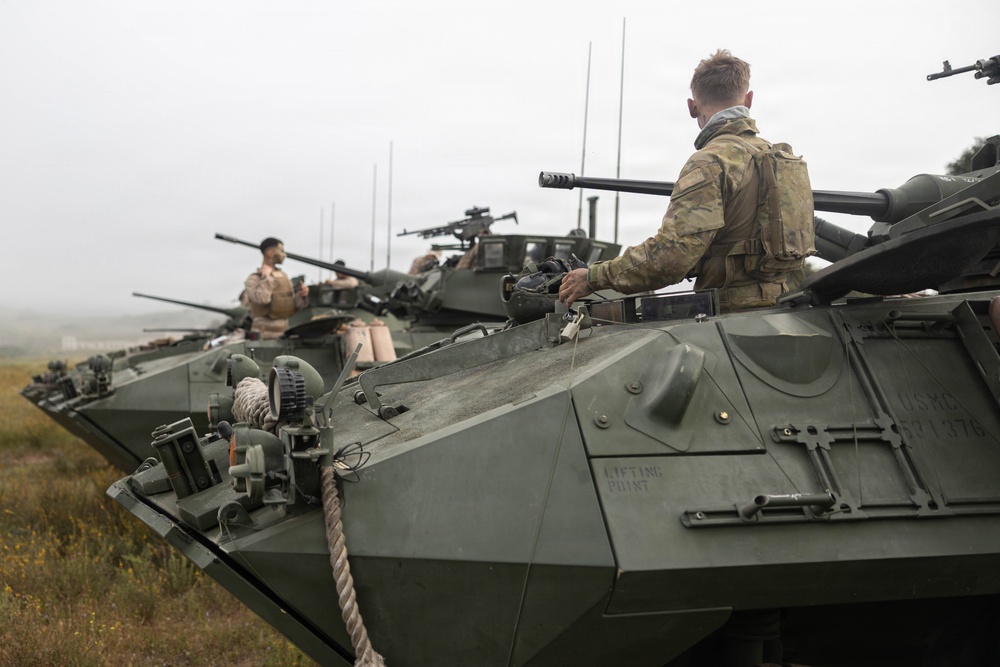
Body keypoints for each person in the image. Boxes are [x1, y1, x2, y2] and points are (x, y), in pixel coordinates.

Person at [559, 49, 814, 311]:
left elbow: (672, 256)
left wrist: (594, 277)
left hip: (729, 317)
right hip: (785, 310)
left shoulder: (711, 161)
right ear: (748, 100)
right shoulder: (781, 160)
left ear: (692, 107)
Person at [241, 237, 309, 339]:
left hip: (284, 334)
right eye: (281, 251)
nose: (284, 255)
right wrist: (266, 278)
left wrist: (301, 296)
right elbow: (262, 299)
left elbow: (291, 305)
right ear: (271, 252)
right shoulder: (254, 279)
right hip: (263, 336)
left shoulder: (283, 276)